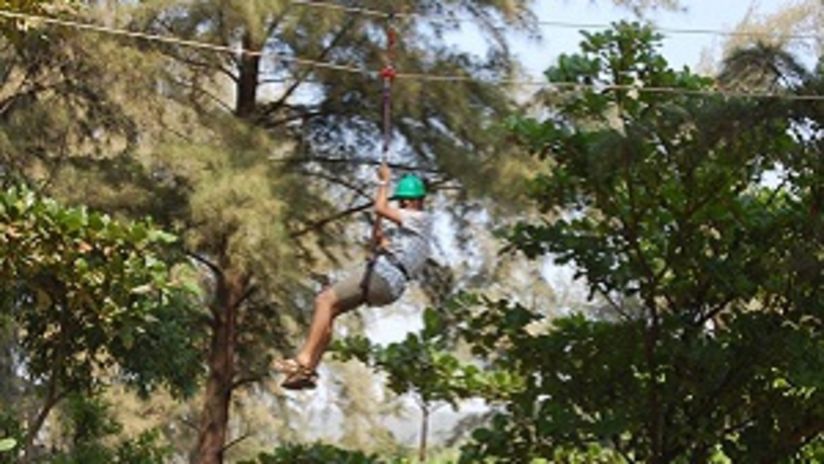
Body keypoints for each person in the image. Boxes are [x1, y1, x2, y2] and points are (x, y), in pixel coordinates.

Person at [274, 162, 432, 390]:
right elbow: (377, 240)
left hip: (383, 276)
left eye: (404, 201)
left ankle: (304, 359)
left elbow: (380, 208)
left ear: (414, 200)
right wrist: (379, 224)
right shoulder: (408, 234)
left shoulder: (421, 218)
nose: (402, 205)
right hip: (388, 285)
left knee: (324, 300)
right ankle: (307, 373)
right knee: (330, 311)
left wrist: (383, 182)